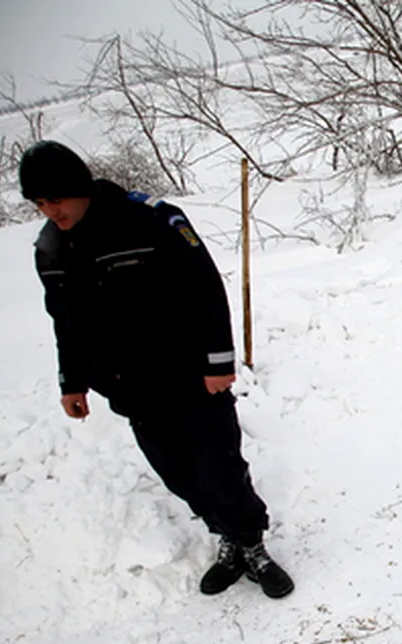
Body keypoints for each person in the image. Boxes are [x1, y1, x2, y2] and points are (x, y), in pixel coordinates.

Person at [21, 140, 293, 599]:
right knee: (177, 474)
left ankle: (251, 543)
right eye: (40, 203)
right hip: (130, 388)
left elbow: (204, 287)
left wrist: (217, 361)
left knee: (219, 468)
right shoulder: (50, 250)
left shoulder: (148, 220)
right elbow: (65, 322)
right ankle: (226, 536)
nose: (50, 211)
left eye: (56, 199)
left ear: (79, 187)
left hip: (189, 377)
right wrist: (72, 381)